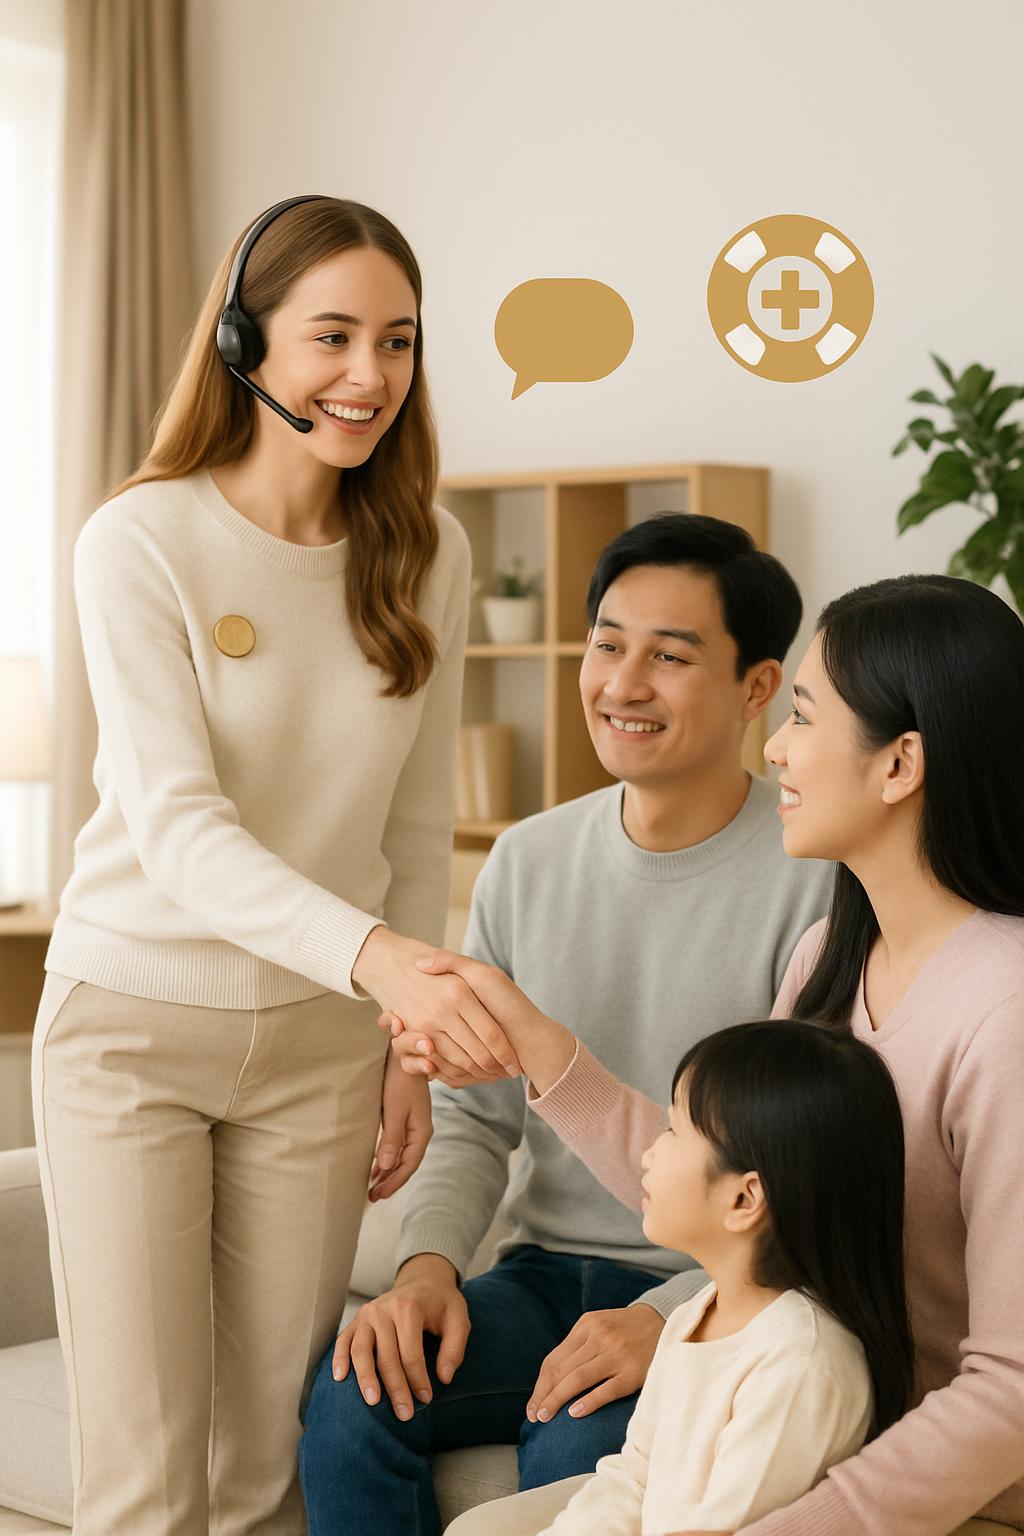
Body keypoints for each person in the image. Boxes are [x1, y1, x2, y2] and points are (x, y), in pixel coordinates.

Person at [31, 194, 516, 1536]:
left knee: (268, 1476)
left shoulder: (429, 550)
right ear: (246, 345)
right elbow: (180, 832)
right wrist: (391, 974)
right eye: (333, 337)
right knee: (143, 1479)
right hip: (134, 1029)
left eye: (399, 341)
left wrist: (395, 1049)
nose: (370, 376)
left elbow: (413, 832)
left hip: (316, 1046)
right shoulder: (140, 541)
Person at [404, 574, 1024, 1536]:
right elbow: (736, 1178)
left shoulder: (1006, 1007)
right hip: (797, 1445)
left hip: (930, 1495)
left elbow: (1011, 1395)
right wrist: (536, 1045)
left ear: (901, 763)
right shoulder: (831, 959)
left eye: (805, 718)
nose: (774, 749)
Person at [299, 513, 834, 1534]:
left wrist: (669, 1322)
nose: (623, 684)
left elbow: (803, 1174)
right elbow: (473, 1119)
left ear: (756, 688)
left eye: (670, 657)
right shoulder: (528, 859)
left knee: (579, 1451)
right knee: (353, 1392)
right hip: (536, 1270)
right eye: (607, 644)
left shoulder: (815, 879)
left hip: (704, 1282)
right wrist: (423, 1272)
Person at [447, 1015, 913, 1534]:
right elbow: (634, 1477)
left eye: (673, 1130)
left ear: (744, 1198)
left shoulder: (801, 1364)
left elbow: (723, 1529)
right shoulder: (695, 1313)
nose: (648, 1152)